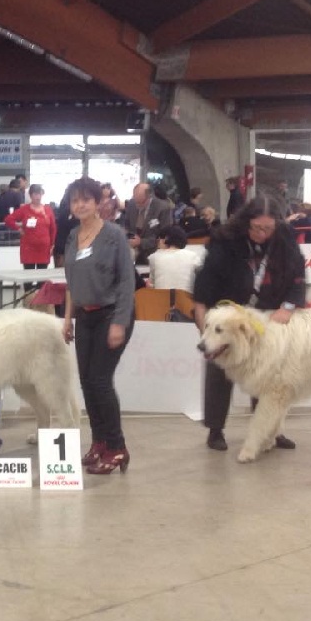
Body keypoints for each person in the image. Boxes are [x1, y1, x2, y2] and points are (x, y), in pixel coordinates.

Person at [193, 194, 305, 452]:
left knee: (269, 374)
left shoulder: (284, 237)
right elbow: (206, 283)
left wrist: (288, 307)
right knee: (220, 369)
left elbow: (298, 274)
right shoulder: (224, 239)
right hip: (229, 312)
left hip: (267, 314)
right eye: (256, 227)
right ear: (246, 222)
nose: (262, 233)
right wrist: (205, 322)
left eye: (268, 228)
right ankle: (215, 429)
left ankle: (270, 430)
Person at [62, 176, 135, 475]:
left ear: (98, 202)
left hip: (112, 314)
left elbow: (127, 283)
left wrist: (119, 322)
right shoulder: (71, 237)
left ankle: (117, 447)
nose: (80, 205)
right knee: (87, 382)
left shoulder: (114, 235)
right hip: (85, 317)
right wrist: (68, 318)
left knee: (101, 381)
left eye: (86, 199)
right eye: (75, 200)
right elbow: (71, 282)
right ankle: (99, 442)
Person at [4, 184, 56, 280]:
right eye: (35, 194)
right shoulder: (24, 209)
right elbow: (8, 219)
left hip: (44, 249)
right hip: (28, 249)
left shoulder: (48, 210)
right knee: (28, 279)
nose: (37, 197)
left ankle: (41, 295)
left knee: (42, 279)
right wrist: (18, 228)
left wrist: (52, 244)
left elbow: (53, 228)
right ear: (30, 195)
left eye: (39, 194)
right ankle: (29, 295)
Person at [123, 182, 172, 264]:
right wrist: (127, 235)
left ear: (149, 197)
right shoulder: (131, 204)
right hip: (131, 251)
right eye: (135, 200)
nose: (137, 205)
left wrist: (141, 242)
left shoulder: (163, 208)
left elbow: (165, 237)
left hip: (152, 253)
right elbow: (127, 225)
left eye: (140, 202)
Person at [147, 225, 202, 293]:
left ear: (166, 239)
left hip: (161, 301)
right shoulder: (193, 256)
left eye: (159, 239)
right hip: (186, 301)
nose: (157, 242)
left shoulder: (154, 257)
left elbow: (151, 284)